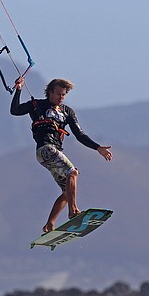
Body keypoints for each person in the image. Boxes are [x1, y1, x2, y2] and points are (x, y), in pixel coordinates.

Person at [10, 75, 112, 233]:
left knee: (67, 192)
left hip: (51, 153)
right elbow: (15, 111)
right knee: (73, 173)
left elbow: (79, 135)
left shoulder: (67, 112)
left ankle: (50, 223)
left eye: (63, 94)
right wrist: (19, 90)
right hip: (45, 149)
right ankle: (73, 211)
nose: (61, 97)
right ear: (49, 93)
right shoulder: (36, 104)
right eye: (58, 94)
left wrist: (97, 147)